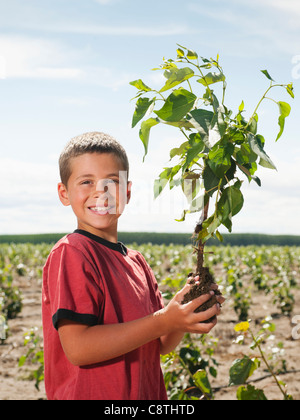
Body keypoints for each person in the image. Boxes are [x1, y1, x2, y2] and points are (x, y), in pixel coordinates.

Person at [42, 131, 224, 400]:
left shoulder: (137, 261)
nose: (100, 192)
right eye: (86, 182)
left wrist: (181, 313)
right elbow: (78, 348)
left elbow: (160, 344)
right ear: (64, 193)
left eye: (112, 182)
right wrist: (164, 319)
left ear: (127, 191)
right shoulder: (72, 252)